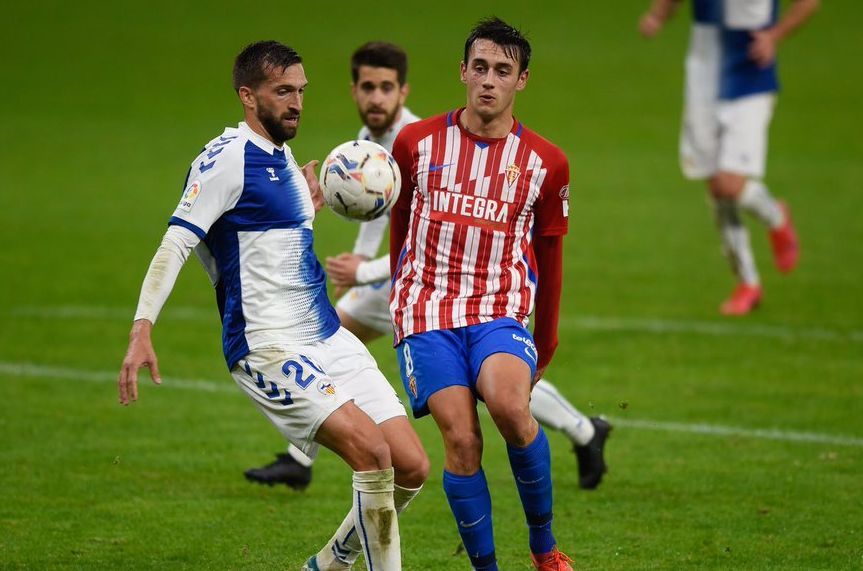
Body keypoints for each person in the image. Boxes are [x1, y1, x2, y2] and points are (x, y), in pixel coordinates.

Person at [245, 42, 612, 494]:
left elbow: (424, 237)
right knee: (335, 338)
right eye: (366, 88)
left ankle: (583, 431)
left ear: (403, 91)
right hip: (407, 281)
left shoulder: (425, 141)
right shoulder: (368, 139)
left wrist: (363, 274)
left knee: (499, 387)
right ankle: (301, 456)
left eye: (385, 88)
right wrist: (363, 268)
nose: (375, 98)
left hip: (442, 282)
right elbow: (382, 223)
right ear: (354, 90)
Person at [116, 40, 428, 571]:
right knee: (372, 457)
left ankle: (328, 563)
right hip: (268, 347)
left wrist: (306, 205)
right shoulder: (225, 159)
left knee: (411, 466)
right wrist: (141, 328)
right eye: (283, 92)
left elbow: (270, 243)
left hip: (327, 338)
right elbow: (177, 241)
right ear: (247, 96)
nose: (296, 103)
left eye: (301, 92)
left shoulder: (282, 158)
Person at [388, 18, 574, 570]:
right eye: (480, 68)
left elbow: (552, 255)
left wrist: (548, 340)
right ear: (462, 72)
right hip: (426, 312)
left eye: (503, 70)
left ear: (522, 80)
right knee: (462, 442)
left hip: (499, 309)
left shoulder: (545, 162)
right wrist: (404, 289)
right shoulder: (415, 144)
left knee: (511, 407)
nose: (488, 81)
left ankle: (543, 548)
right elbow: (400, 219)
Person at [639, 0, 818, 315]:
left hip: (750, 77)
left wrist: (775, 36)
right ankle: (747, 282)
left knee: (728, 184)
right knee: (716, 187)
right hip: (704, 79)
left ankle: (775, 217)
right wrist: (658, 15)